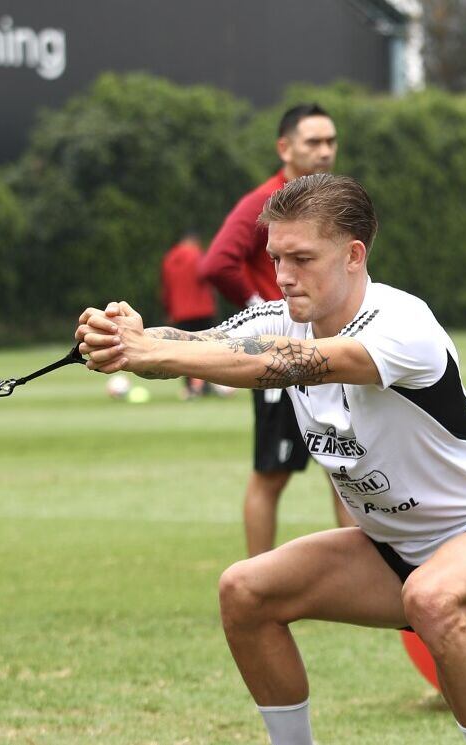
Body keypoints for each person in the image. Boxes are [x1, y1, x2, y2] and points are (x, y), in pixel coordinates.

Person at [76, 174, 466, 745]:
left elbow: (296, 362)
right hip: (394, 550)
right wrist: (126, 337)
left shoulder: (402, 323)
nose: (282, 276)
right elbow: (197, 346)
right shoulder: (279, 317)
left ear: (354, 255)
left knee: (431, 597)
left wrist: (155, 348)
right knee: (244, 592)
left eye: (302, 258)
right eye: (276, 257)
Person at [201, 103, 354, 555]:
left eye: (331, 141)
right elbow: (217, 262)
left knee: (346, 471)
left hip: (330, 351)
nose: (325, 151)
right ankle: (258, 582)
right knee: (271, 474)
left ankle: (362, 575)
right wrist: (263, 311)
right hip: (280, 355)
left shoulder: (329, 201)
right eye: (314, 142)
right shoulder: (265, 202)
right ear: (284, 148)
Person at [160, 230, 218, 399]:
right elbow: (209, 277)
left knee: (184, 351)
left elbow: (166, 290)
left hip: (180, 313)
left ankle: (190, 388)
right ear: (194, 241)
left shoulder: (169, 259)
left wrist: (169, 311)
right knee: (207, 349)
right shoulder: (198, 255)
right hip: (203, 310)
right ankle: (206, 385)